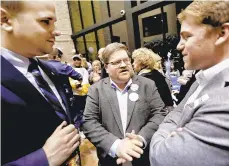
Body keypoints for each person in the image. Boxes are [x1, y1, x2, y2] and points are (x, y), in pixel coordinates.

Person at [150, 1, 229, 166]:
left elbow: (162, 157)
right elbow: (177, 113)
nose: (179, 46)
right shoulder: (201, 79)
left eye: (187, 36)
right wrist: (176, 130)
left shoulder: (224, 102)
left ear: (222, 33)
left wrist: (166, 134)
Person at [1, 1, 80, 165]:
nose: (56, 31)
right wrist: (44, 159)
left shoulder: (52, 71)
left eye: (54, 23)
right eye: (45, 21)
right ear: (5, 20)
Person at [82, 43, 166, 166]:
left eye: (126, 60)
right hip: (111, 161)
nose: (123, 65)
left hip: (142, 158)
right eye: (116, 62)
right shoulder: (96, 90)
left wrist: (140, 139)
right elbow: (89, 122)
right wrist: (116, 145)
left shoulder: (147, 85)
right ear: (106, 67)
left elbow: (160, 114)